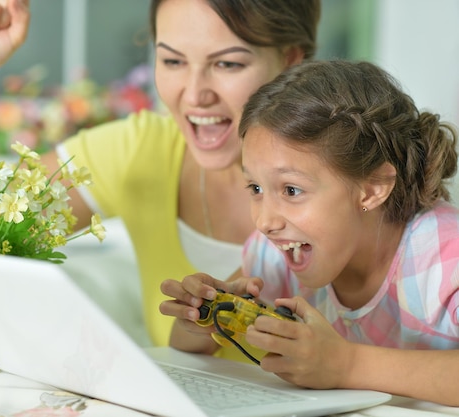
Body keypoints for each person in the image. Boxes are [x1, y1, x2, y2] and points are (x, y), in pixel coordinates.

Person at [0, 0, 320, 349]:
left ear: (291, 60)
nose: (196, 94)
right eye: (173, 61)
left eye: (228, 63)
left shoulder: (349, 172)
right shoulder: (141, 151)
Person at [159, 59, 459, 405]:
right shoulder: (279, 255)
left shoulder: (444, 258)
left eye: (291, 190)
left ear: (373, 188)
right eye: (255, 188)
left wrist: (345, 365)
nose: (265, 221)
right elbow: (185, 348)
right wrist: (202, 319)